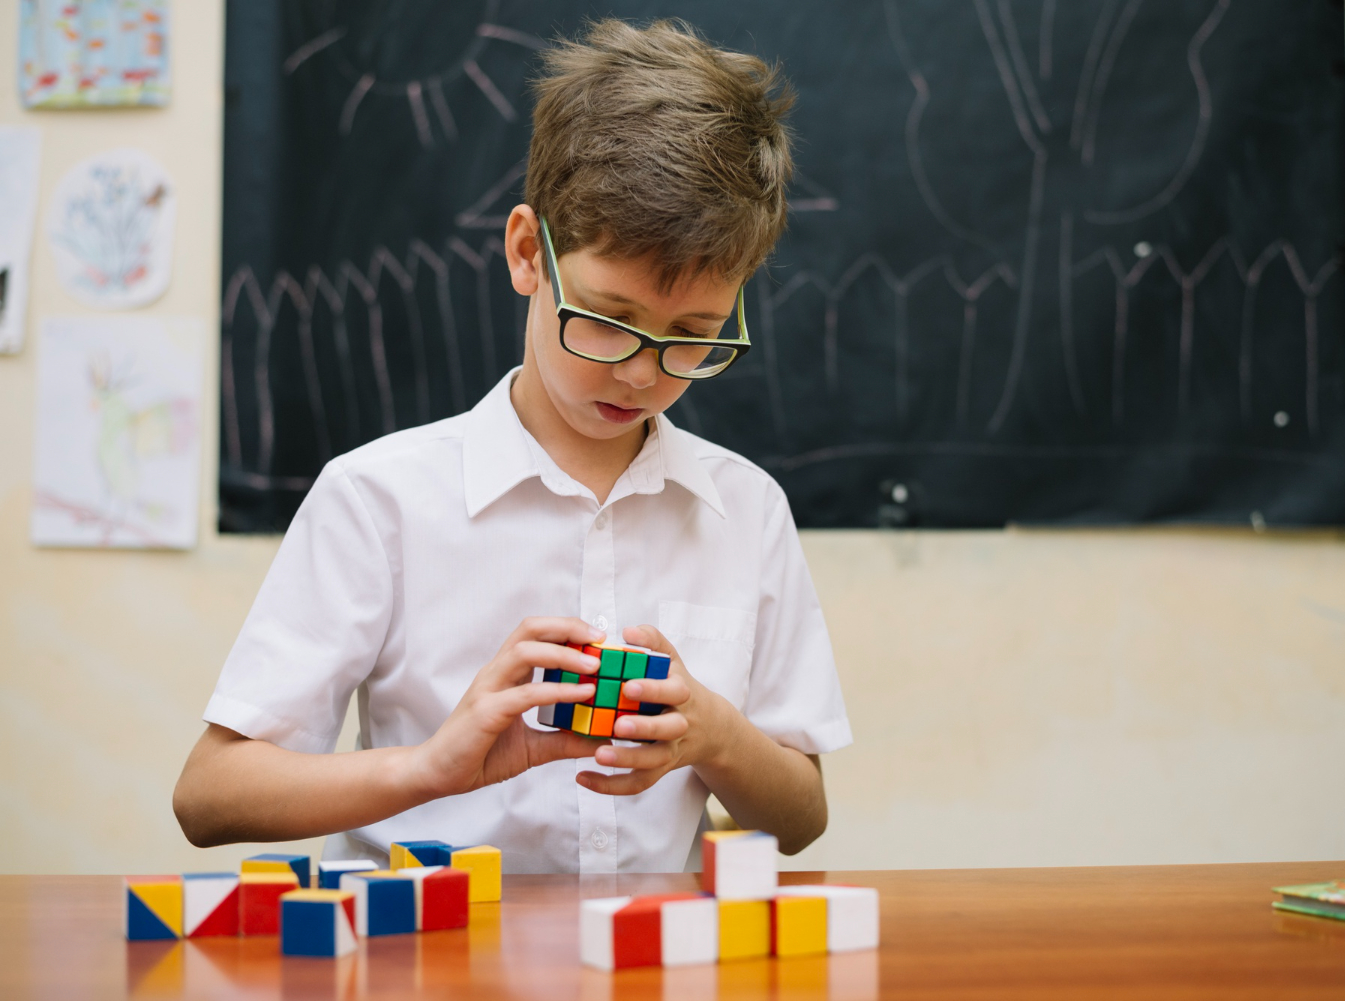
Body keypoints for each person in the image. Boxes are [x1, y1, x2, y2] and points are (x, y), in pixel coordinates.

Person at [173, 19, 851, 874]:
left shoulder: (746, 510)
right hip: (425, 957)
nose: (642, 373)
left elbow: (800, 817)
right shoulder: (377, 498)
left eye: (692, 336)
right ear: (529, 253)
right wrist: (428, 767)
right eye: (609, 321)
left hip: (646, 962)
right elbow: (207, 796)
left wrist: (714, 736)